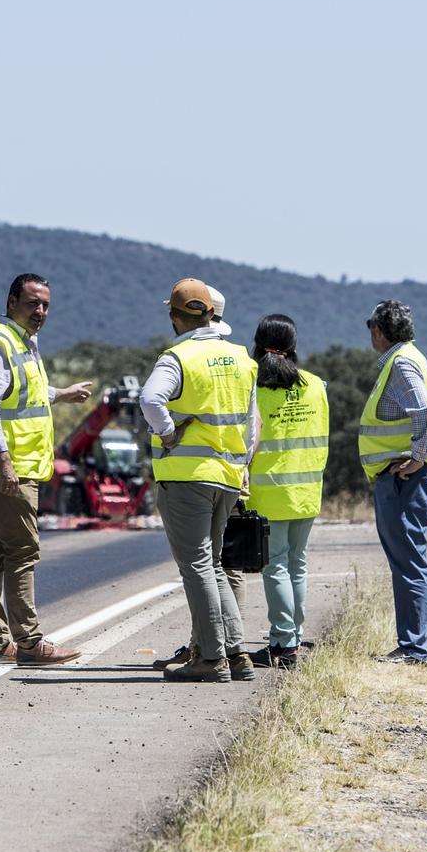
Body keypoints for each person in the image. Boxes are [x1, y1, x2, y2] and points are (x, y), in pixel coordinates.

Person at [0, 273, 95, 667]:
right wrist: (4, 460)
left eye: (45, 305)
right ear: (11, 302)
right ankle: (29, 642)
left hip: (12, 467)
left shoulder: (22, 344)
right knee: (23, 550)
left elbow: (23, 395)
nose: (40, 312)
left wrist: (62, 394)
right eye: (32, 303)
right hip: (9, 470)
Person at [142, 278, 260, 683]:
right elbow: (252, 421)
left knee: (196, 566)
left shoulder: (177, 357)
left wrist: (168, 433)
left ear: (175, 318)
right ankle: (237, 652)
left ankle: (211, 660)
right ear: (211, 313)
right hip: (227, 475)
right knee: (212, 564)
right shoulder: (242, 358)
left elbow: (150, 399)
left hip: (187, 476)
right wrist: (242, 463)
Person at [360, 300, 427, 667]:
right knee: (410, 558)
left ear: (379, 330)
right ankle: (418, 646)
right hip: (406, 475)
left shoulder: (401, 363)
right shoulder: (410, 357)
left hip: (405, 477)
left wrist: (418, 455)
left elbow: (424, 410)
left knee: (408, 559)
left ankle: (414, 648)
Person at [246, 314, 328, 670]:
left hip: (270, 492)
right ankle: (292, 634)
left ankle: (282, 643)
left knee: (275, 565)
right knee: (298, 564)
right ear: (294, 346)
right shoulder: (315, 385)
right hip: (308, 490)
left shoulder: (253, 387)